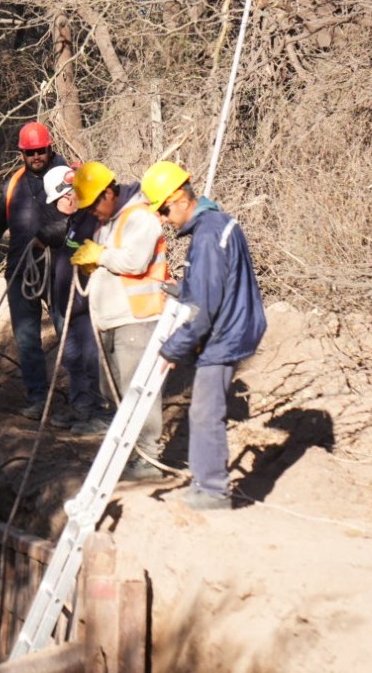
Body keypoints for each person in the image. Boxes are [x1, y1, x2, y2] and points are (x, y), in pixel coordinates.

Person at [141, 160, 266, 511]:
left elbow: (204, 308)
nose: (164, 218)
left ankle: (212, 490)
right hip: (230, 326)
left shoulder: (209, 235)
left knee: (205, 412)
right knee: (203, 410)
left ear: (180, 197)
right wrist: (184, 288)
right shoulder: (215, 226)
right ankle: (206, 484)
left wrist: (172, 348)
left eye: (164, 209)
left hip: (224, 334)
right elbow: (213, 285)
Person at [0, 122, 66, 418]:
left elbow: (76, 217)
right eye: (30, 152)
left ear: (49, 147)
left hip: (59, 271)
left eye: (41, 150)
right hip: (21, 271)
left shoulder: (67, 176)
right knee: (27, 338)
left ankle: (83, 401)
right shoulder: (13, 186)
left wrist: (48, 237)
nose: (36, 157)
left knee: (68, 335)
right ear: (22, 154)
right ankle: (37, 399)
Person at [69, 162, 172, 461]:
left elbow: (135, 262)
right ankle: (118, 423)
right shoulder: (109, 222)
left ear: (107, 194)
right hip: (113, 319)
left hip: (136, 319)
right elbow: (111, 260)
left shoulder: (140, 217)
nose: (91, 213)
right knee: (112, 383)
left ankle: (148, 454)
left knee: (136, 388)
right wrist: (95, 260)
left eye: (92, 206)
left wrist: (100, 255)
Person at [36, 164, 104, 432]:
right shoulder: (73, 220)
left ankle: (97, 411)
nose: (59, 205)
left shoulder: (91, 218)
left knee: (90, 357)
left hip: (86, 303)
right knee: (73, 356)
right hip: (66, 303)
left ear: (69, 194)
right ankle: (81, 406)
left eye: (60, 200)